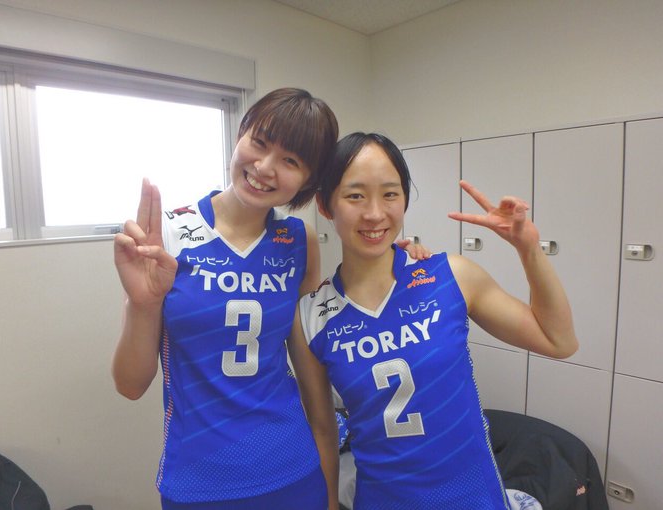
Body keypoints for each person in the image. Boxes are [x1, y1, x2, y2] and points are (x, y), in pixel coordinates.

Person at [111, 90, 425, 510]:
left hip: (295, 471)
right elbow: (130, 386)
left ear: (309, 181)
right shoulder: (167, 235)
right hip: (198, 480)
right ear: (241, 134)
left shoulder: (297, 240)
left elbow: (314, 383)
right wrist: (143, 304)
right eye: (259, 143)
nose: (264, 167)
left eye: (290, 161)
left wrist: (330, 496)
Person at [292, 132, 579, 509]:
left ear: (405, 200)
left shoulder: (451, 276)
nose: (375, 213)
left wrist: (529, 249)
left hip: (475, 498)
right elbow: (323, 430)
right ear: (325, 205)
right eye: (355, 195)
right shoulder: (311, 317)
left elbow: (559, 341)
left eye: (390, 194)